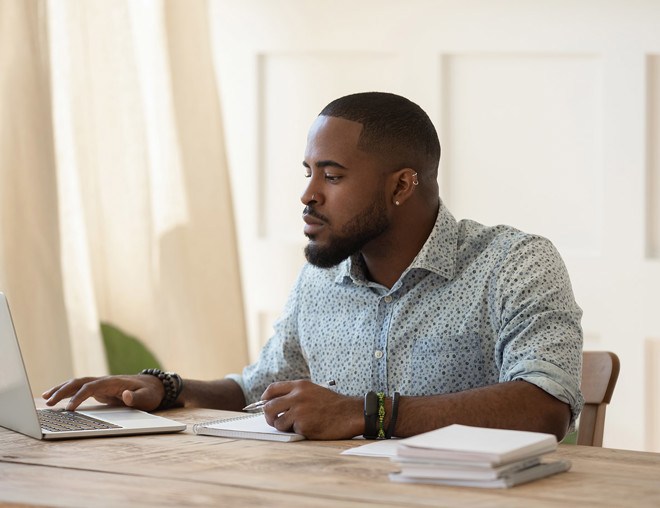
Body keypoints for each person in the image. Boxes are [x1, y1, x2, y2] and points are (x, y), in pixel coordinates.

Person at [44, 92, 583, 441]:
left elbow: (545, 406)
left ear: (400, 185)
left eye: (332, 175)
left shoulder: (515, 263)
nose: (307, 195)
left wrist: (366, 414)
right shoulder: (322, 275)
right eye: (308, 172)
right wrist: (167, 387)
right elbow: (264, 385)